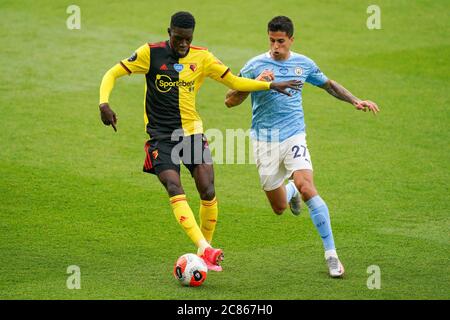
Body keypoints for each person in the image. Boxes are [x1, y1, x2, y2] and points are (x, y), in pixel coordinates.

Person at [98, 12, 300, 272]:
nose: (183, 44)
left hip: (192, 133)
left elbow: (234, 82)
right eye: (178, 39)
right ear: (169, 33)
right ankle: (205, 249)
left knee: (207, 190)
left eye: (187, 40)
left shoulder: (203, 57)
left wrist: (270, 87)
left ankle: (205, 252)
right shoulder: (151, 53)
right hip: (161, 136)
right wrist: (104, 103)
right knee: (173, 185)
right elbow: (111, 74)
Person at [225, 16, 379, 277]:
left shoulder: (303, 64)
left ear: (291, 40)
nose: (276, 46)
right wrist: (257, 83)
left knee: (308, 186)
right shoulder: (254, 65)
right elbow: (230, 100)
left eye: (281, 41)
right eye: (272, 41)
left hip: (294, 136)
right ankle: (291, 190)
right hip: (264, 142)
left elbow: (328, 84)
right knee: (279, 208)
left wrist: (355, 100)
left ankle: (331, 254)